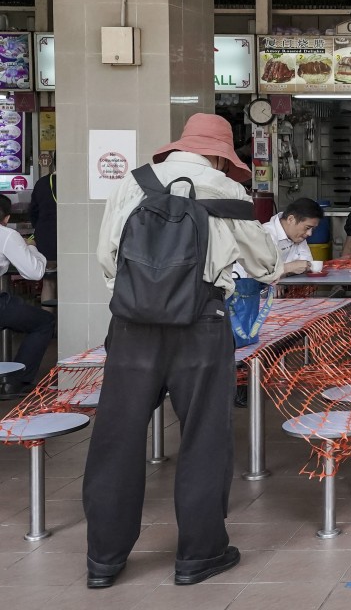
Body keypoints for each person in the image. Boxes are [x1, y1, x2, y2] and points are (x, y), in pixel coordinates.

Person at [85, 113, 283, 589]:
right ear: (219, 154)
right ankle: (199, 555)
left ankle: (103, 561)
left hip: (132, 328)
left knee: (117, 438)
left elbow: (106, 257)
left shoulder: (133, 184)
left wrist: (140, 299)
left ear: (180, 146)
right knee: (203, 439)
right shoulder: (225, 191)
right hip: (201, 325)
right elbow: (267, 265)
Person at [0, 194, 53, 400]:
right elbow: (35, 273)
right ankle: (16, 381)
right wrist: (30, 246)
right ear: (6, 218)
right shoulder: (6, 235)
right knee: (44, 322)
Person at [264, 198, 324, 275]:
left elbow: (307, 265)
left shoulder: (298, 237)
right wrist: (288, 268)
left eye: (313, 229)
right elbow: (255, 272)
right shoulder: (264, 234)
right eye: (307, 228)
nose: (309, 233)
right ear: (291, 219)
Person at [29, 169, 57, 309]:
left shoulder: (42, 183)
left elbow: (33, 212)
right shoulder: (76, 182)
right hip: (72, 240)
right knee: (72, 282)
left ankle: (48, 324)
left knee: (48, 283)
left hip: (46, 240)